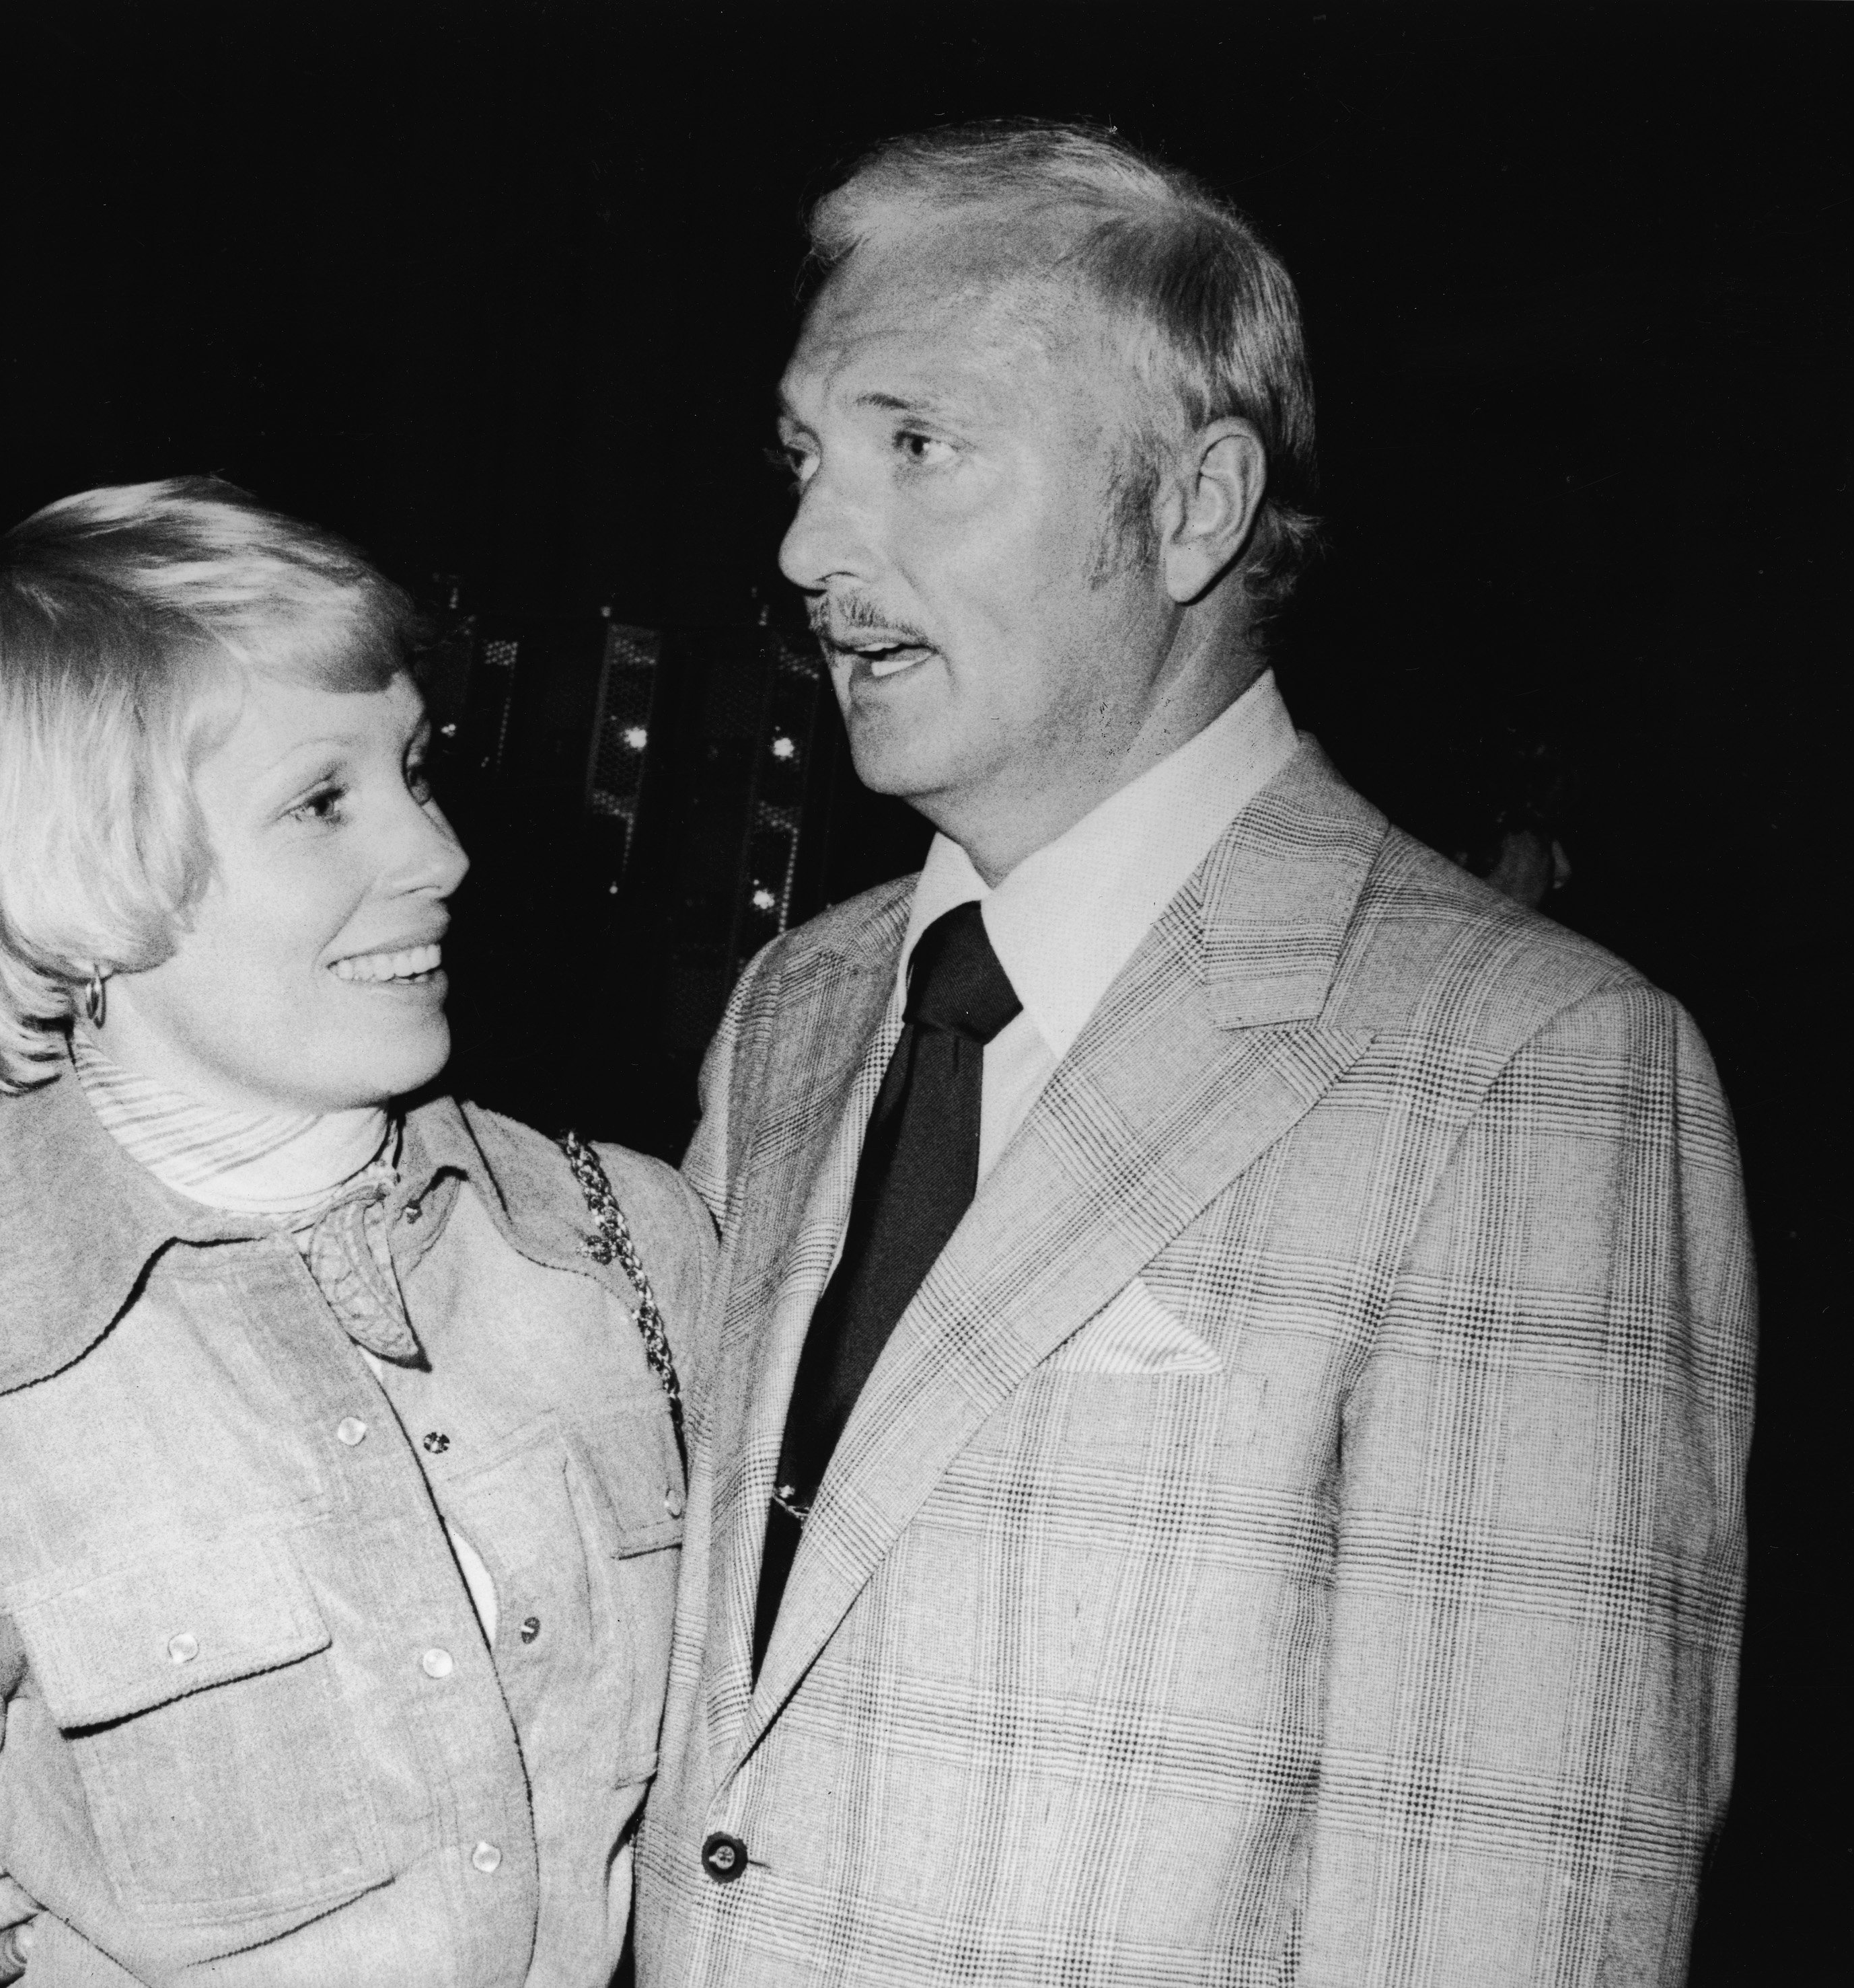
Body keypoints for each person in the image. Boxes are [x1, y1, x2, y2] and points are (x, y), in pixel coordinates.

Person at [635, 123, 1756, 1985]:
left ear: (1192, 505)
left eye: (919, 448)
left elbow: (1501, 1911)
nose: (808, 548)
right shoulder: (804, 1010)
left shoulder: (1524, 1074)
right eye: (808, 461)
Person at [0, 480, 710, 1987]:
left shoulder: (628, 1244)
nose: (440, 855)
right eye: (322, 799)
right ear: (85, 880)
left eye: (414, 770)